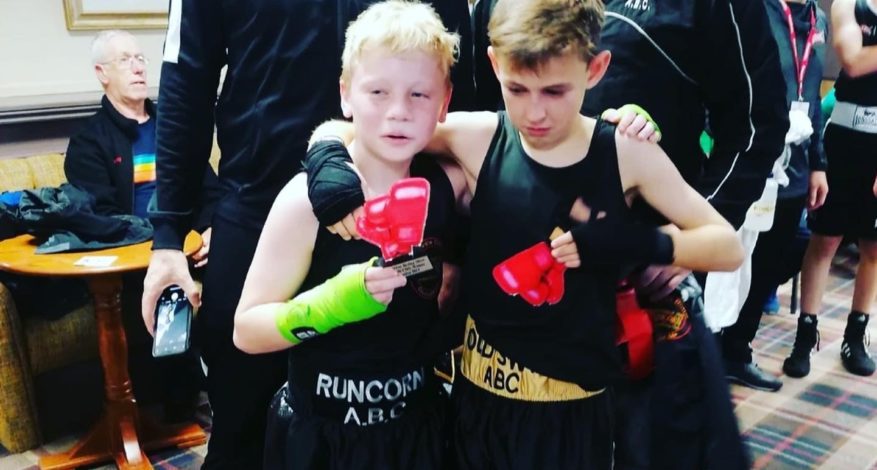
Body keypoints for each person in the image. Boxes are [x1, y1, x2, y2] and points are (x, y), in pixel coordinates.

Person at [305, 0, 745, 466]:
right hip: (477, 400)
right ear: (495, 64)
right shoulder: (477, 137)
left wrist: (635, 243)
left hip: (572, 411)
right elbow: (362, 124)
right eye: (517, 88)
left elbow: (727, 245)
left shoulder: (626, 152)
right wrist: (327, 154)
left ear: (595, 69)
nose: (535, 112)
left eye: (555, 91)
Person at [140, 1, 475, 467]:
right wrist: (169, 236)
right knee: (243, 429)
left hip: (404, 202)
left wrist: (455, 243)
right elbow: (186, 79)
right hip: (260, 207)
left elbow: (460, 86)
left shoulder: (441, 175)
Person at [233, 4, 468, 467]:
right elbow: (245, 331)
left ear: (444, 102)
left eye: (419, 95)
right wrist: (329, 306)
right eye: (377, 91)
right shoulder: (305, 200)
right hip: (323, 435)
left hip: (416, 425)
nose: (398, 112)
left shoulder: (450, 185)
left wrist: (621, 127)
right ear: (346, 95)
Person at [64, 29, 218, 421]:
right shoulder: (89, 142)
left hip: (193, 244)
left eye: (140, 59)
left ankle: (233, 391)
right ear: (102, 73)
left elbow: (209, 189)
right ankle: (178, 407)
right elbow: (98, 217)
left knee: (240, 259)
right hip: (135, 258)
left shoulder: (173, 129)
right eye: (124, 61)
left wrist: (210, 230)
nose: (136, 68)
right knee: (162, 284)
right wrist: (167, 244)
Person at [720, 0, 829, 392]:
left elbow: (813, 94)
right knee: (728, 261)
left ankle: (737, 349)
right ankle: (710, 351)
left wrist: (819, 162)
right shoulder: (752, 9)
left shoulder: (820, 20)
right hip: (750, 159)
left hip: (794, 170)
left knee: (772, 260)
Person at [783, 0, 877, 379]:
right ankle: (805, 335)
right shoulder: (849, 3)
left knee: (874, 247)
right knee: (825, 239)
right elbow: (852, 60)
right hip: (844, 138)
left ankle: (855, 336)